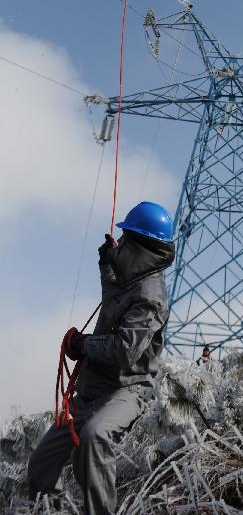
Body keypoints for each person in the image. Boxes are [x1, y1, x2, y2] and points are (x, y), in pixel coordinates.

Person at [28, 201, 176, 515]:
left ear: (140, 245)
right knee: (42, 463)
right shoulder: (130, 278)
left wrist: (82, 344)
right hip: (91, 392)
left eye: (125, 238)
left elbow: (124, 350)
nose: (119, 242)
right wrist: (107, 262)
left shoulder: (151, 296)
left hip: (126, 392)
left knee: (95, 436)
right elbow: (112, 294)